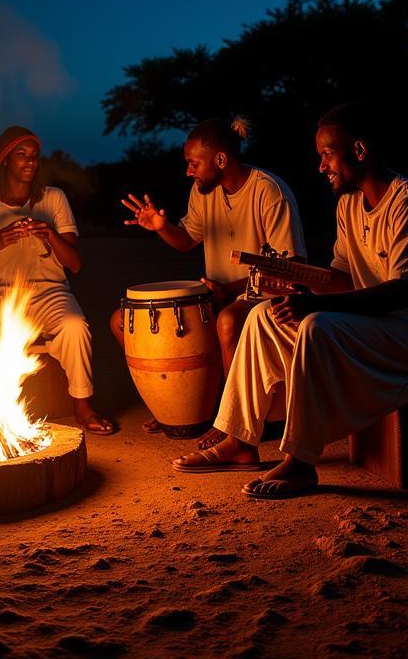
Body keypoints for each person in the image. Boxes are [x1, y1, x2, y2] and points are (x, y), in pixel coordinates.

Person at [173, 102, 408, 499]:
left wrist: (316, 307)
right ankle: (239, 441)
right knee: (264, 316)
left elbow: (403, 292)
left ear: (360, 151)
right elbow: (342, 278)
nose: (321, 166)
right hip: (393, 322)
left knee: (318, 325)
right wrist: (295, 280)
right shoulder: (349, 205)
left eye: (327, 155)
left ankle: (301, 463)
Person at [113, 117, 306, 445]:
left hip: (261, 298)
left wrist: (227, 291)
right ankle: (175, 406)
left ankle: (232, 419)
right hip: (217, 293)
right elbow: (187, 239)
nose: (189, 171)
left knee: (228, 321)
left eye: (193, 163)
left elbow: (290, 269)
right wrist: (161, 227)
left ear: (220, 160)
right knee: (123, 322)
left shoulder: (269, 192)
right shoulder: (203, 192)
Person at [0, 125, 114, 434]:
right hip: (0, 293)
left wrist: (50, 234)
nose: (30, 162)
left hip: (50, 291)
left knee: (74, 327)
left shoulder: (54, 199)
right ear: (4, 160)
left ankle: (82, 407)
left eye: (34, 156)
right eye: (21, 155)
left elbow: (76, 264)